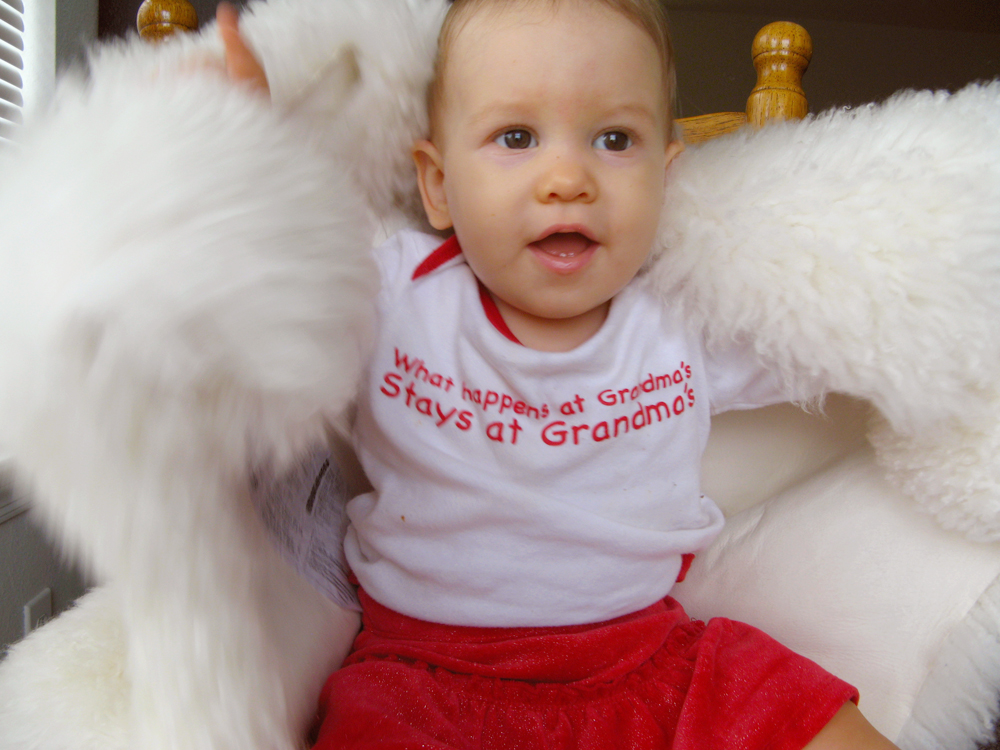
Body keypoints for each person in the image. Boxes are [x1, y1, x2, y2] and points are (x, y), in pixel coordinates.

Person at [217, 1, 899, 747]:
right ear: (438, 184)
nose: (567, 177)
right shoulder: (392, 292)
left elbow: (848, 328)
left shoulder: (682, 314)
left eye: (615, 139)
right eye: (516, 137)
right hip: (427, 678)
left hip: (648, 660)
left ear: (664, 179)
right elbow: (264, 312)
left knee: (807, 711)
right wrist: (249, 171)